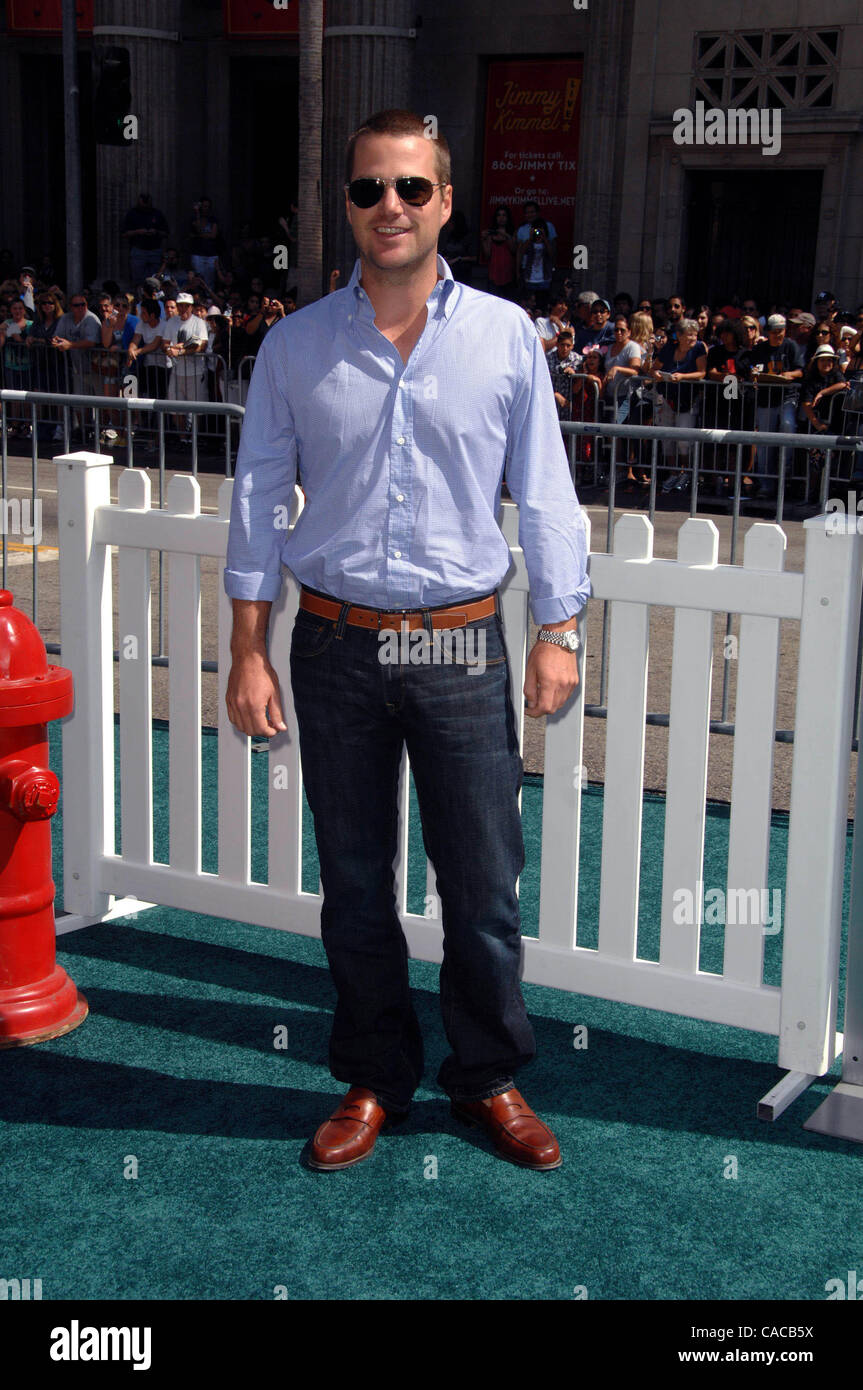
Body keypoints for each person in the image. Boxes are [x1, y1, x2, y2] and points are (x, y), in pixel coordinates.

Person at [224, 107, 588, 1173]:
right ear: (343, 205)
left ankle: (485, 1077)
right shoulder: (294, 345)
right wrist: (247, 647)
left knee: (480, 882)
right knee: (353, 877)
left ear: (445, 202)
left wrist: (556, 626)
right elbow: (255, 500)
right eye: (368, 189)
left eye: (411, 189)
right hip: (333, 647)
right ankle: (375, 1073)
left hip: (461, 646)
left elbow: (548, 495)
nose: (390, 206)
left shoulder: (507, 336)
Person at [748, 314, 803, 500]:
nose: (777, 335)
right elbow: (752, 369)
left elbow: (800, 370)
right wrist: (755, 374)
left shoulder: (791, 346)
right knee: (765, 444)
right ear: (768, 332)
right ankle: (766, 484)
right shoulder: (760, 348)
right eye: (774, 332)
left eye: (781, 331)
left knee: (788, 427)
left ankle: (785, 476)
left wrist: (789, 375)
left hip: (786, 397)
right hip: (766, 399)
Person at [650, 316, 707, 490]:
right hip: (666, 398)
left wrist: (682, 377)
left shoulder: (698, 349)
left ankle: (685, 473)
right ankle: (673, 474)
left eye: (694, 335)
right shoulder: (669, 348)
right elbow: (654, 368)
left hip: (688, 400)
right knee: (667, 438)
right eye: (689, 335)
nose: (692, 338)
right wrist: (657, 374)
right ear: (679, 335)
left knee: (684, 439)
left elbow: (702, 373)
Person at [161, 291, 209, 441]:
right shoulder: (171, 322)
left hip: (195, 371)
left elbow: (202, 345)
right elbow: (165, 343)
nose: (183, 309)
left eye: (186, 306)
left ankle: (195, 438)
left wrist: (181, 351)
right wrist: (171, 349)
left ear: (191, 307)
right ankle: (183, 438)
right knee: (175, 407)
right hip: (177, 370)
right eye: (180, 306)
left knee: (197, 408)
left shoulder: (199, 322)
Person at [801, 345, 849, 467]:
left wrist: (822, 392)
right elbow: (806, 404)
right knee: (816, 460)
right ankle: (813, 486)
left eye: (829, 360)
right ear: (816, 362)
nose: (826, 363)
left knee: (836, 461)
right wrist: (816, 423)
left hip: (837, 425)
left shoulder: (837, 375)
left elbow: (843, 384)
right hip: (818, 425)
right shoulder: (810, 380)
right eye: (822, 360)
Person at [122, 193, 169, 286]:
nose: (145, 205)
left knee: (155, 280)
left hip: (155, 250)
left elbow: (166, 233)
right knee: (138, 280)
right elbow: (124, 233)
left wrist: (156, 232)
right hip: (138, 250)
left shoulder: (157, 214)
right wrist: (138, 232)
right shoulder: (132, 214)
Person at [480, 205, 517, 298]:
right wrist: (483, 240)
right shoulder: (491, 234)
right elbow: (487, 255)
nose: (501, 218)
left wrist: (506, 236)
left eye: (504, 215)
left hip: (508, 273)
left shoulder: (513, 232)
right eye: (499, 215)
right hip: (494, 274)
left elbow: (514, 250)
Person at [546, 325, 581, 415]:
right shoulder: (548, 359)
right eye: (562, 345)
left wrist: (574, 372)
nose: (565, 348)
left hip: (570, 405)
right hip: (550, 402)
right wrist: (555, 394)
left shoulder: (577, 359)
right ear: (557, 344)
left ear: (572, 346)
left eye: (568, 345)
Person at [188, 198, 220, 288]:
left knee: (210, 279)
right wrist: (197, 213)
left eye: (208, 207)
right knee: (198, 277)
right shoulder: (194, 218)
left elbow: (213, 235)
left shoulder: (213, 219)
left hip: (211, 254)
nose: (206, 209)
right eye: (204, 206)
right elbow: (198, 229)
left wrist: (199, 235)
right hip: (198, 253)